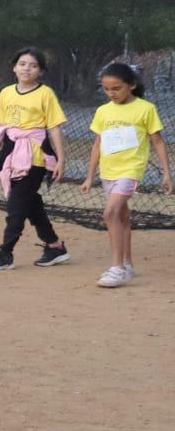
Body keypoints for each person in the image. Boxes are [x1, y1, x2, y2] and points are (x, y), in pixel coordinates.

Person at [81, 60, 170, 288]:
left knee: (110, 213)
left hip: (131, 170)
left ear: (131, 85)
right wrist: (90, 177)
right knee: (121, 217)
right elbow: (97, 145)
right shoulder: (103, 111)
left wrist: (167, 174)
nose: (111, 93)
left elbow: (157, 141)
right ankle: (128, 264)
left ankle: (117, 268)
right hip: (108, 170)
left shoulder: (145, 108)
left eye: (116, 88)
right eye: (106, 89)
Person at [0, 47, 70, 271]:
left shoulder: (45, 94)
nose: (27, 68)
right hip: (11, 151)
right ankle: (55, 246)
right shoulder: (6, 93)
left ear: (40, 71)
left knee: (16, 205)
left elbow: (54, 128)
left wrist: (60, 159)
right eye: (22, 64)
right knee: (29, 202)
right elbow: (2, 126)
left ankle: (5, 252)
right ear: (14, 67)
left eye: (33, 65)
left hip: (35, 154)